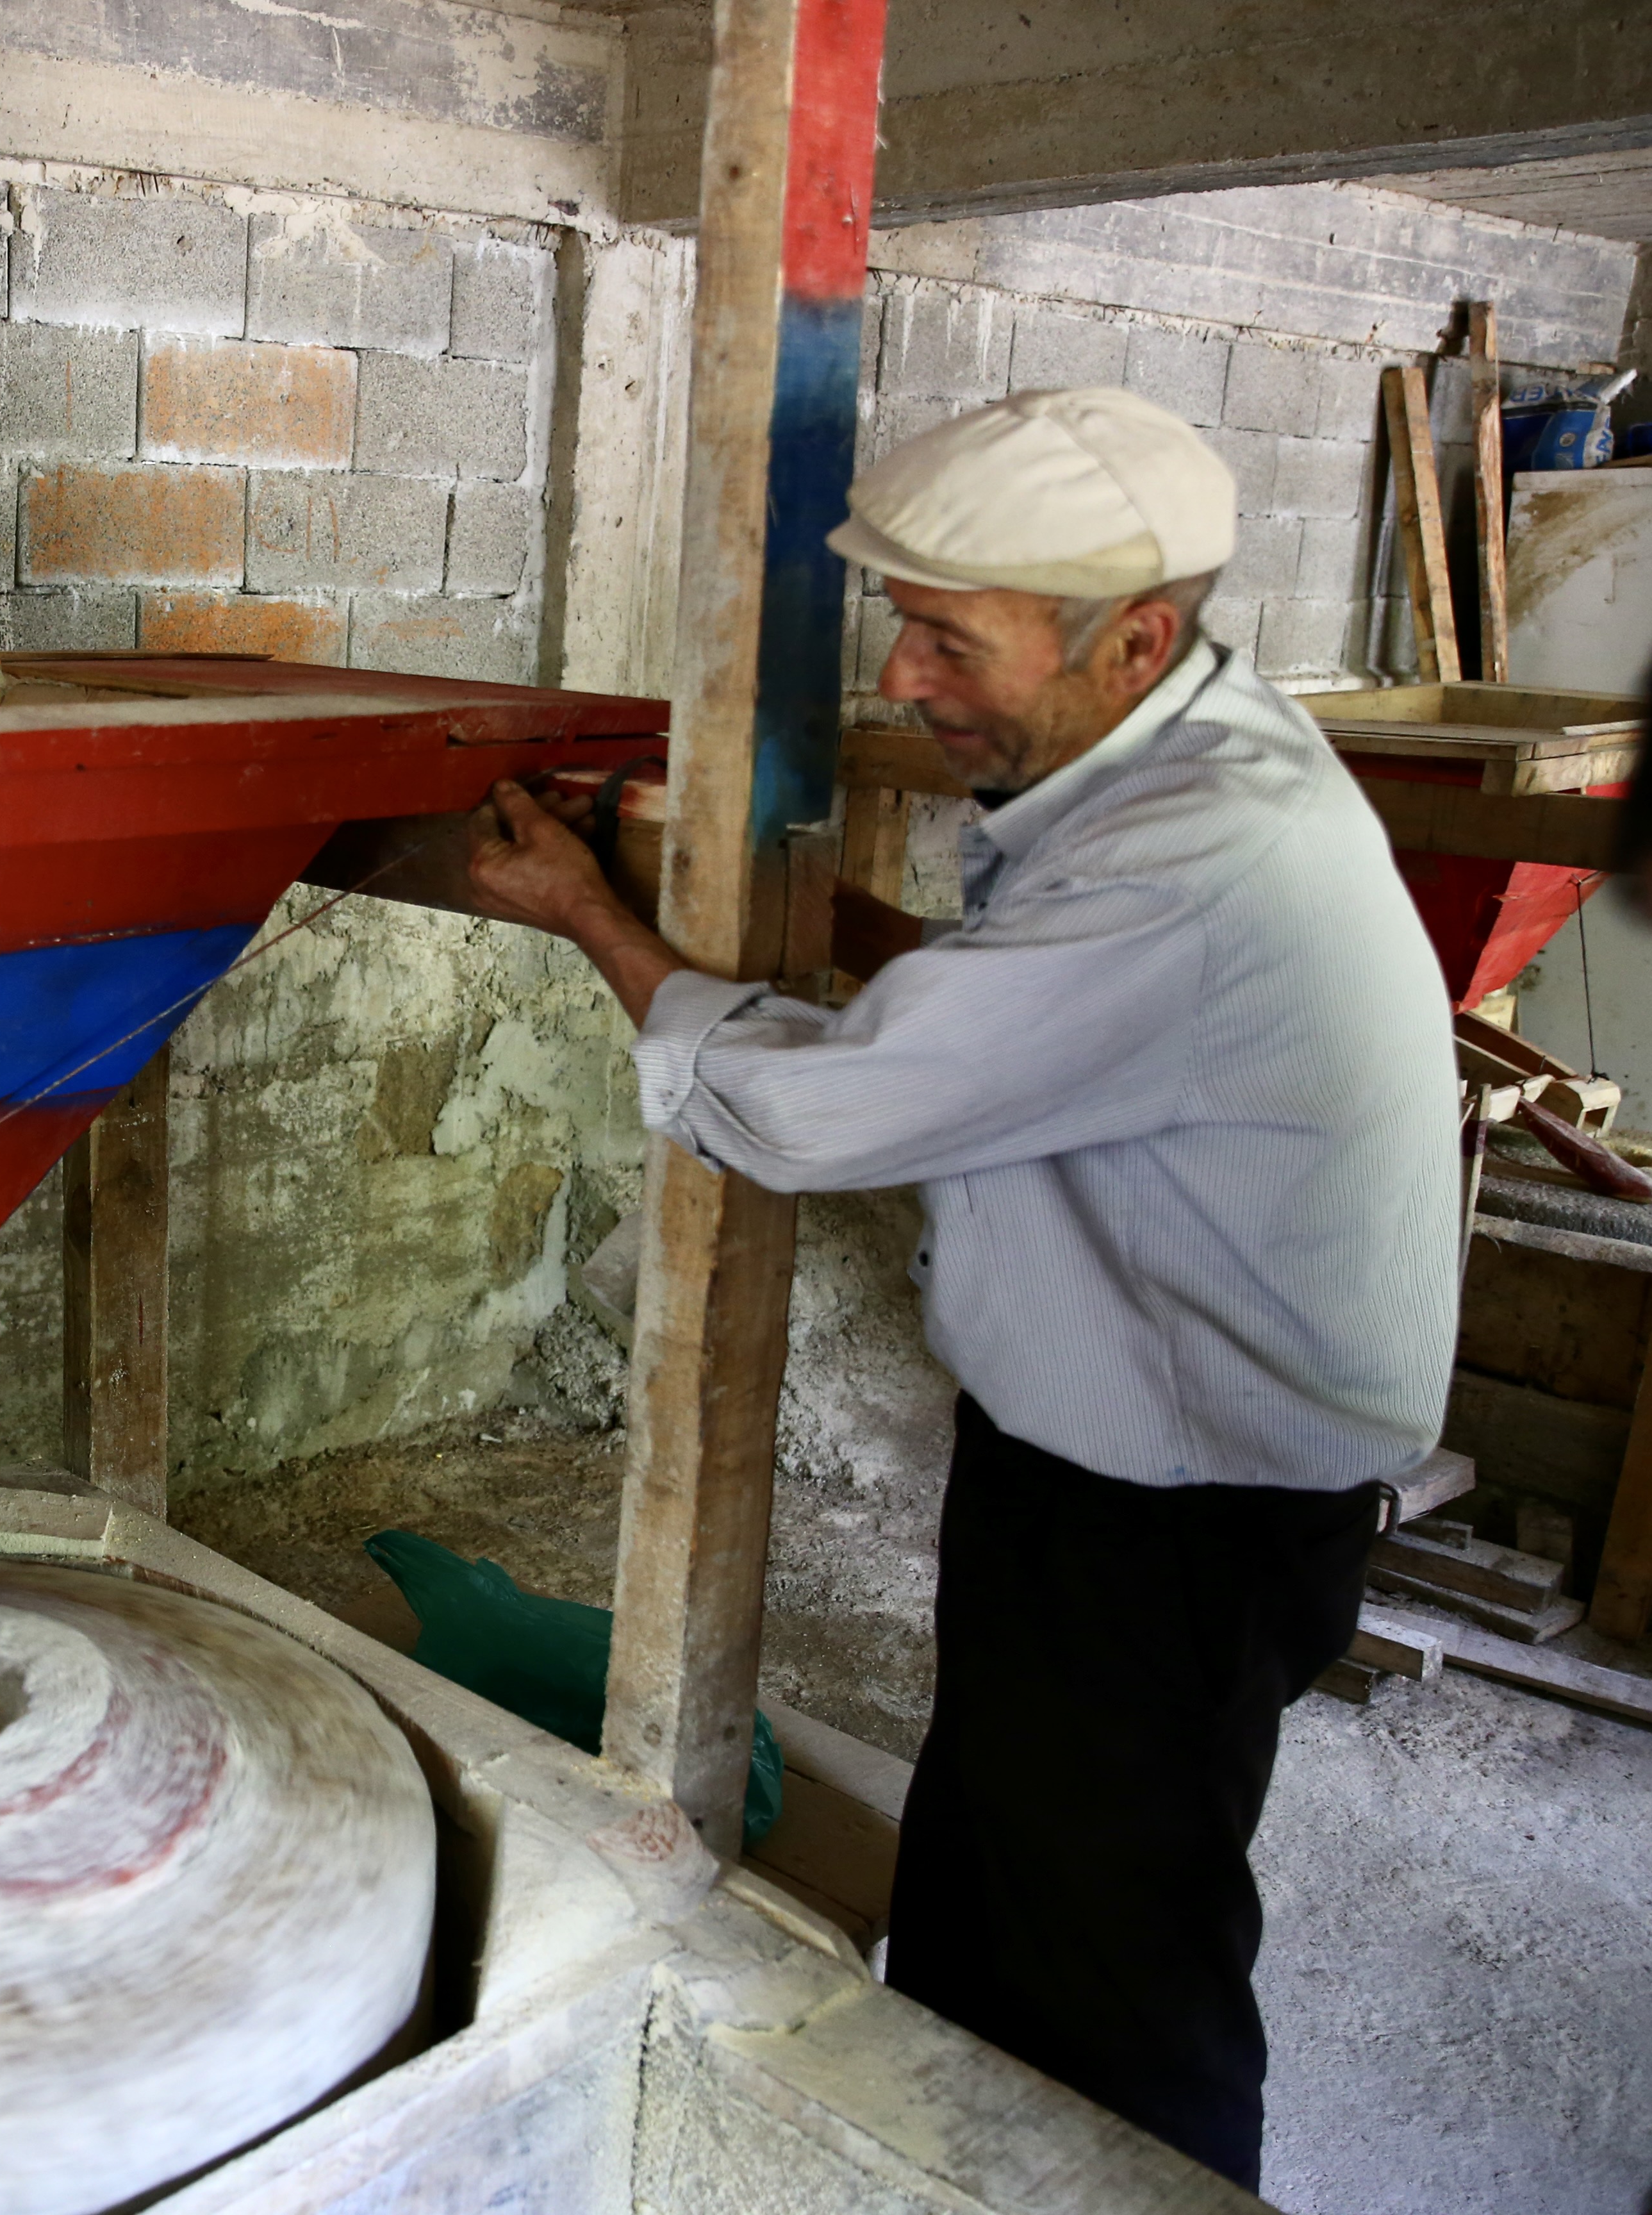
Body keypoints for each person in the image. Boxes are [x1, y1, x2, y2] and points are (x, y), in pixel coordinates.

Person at [462, 386, 1460, 2189]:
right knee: (1001, 1898)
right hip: (1122, 1471)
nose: (909, 681)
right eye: (905, 627)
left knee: (1118, 1976)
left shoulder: (1195, 860)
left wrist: (593, 927)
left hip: (1183, 1512)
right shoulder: (1178, 756)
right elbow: (1031, 1011)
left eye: (952, 639)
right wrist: (843, 924)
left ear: (1132, 636)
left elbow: (816, 1113)